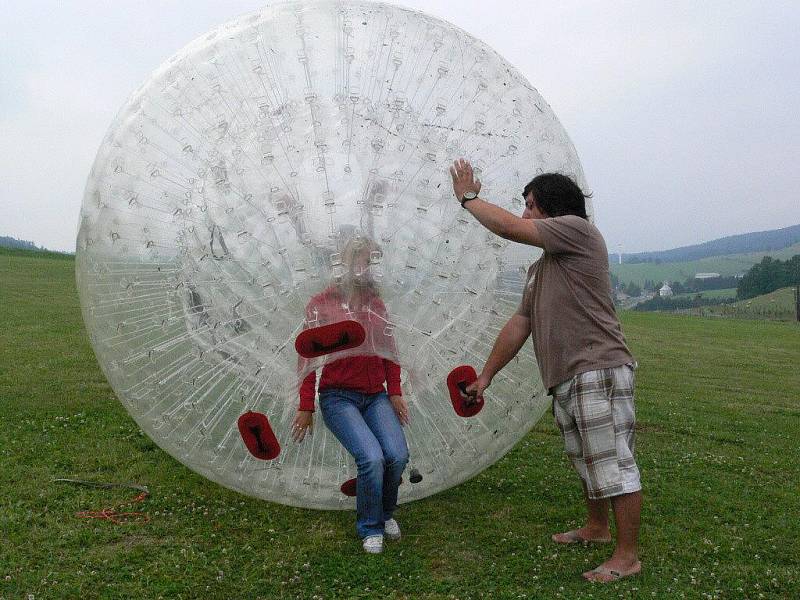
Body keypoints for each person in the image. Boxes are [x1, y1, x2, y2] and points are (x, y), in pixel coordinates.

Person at [449, 159, 642, 583]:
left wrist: (468, 198)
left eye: (531, 205)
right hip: (566, 376)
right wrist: (485, 376)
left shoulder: (578, 231)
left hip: (598, 368)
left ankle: (627, 556)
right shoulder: (539, 270)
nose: (524, 215)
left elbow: (508, 229)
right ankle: (596, 528)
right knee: (587, 459)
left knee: (613, 462)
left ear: (554, 209)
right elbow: (520, 324)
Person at [292, 236, 410, 554]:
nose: (363, 267)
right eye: (357, 259)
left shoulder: (377, 305)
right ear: (340, 263)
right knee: (371, 458)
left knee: (397, 456)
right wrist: (307, 406)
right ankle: (370, 526)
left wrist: (395, 392)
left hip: (375, 395)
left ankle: (384, 514)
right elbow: (308, 357)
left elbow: (389, 351)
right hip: (338, 397)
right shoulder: (321, 305)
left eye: (369, 261)